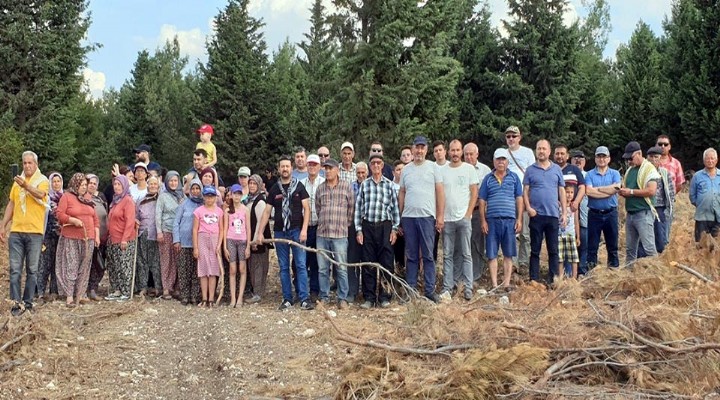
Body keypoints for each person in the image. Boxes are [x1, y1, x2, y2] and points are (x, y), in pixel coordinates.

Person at [255, 156, 314, 311]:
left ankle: (304, 298)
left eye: (287, 166)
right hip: (280, 232)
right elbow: (267, 212)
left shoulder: (299, 187)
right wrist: (260, 233)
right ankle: (287, 298)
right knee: (283, 267)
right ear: (279, 169)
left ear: (291, 168)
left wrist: (304, 230)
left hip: (297, 231)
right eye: (282, 166)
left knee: (301, 265)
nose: (285, 169)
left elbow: (307, 209)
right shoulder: (274, 189)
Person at [1, 151, 49, 316]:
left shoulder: (42, 181)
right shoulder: (17, 183)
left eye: (30, 163)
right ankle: (16, 304)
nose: (27, 166)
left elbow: (40, 194)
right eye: (25, 163)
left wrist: (26, 186)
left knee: (32, 270)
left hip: (34, 232)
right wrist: (3, 225)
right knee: (15, 270)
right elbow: (11, 204)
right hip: (16, 232)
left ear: (36, 165)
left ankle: (28, 303)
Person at [399, 135, 445, 303]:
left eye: (422, 147)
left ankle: (429, 290)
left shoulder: (434, 168)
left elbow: (440, 192)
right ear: (412, 149)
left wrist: (440, 216)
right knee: (410, 255)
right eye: (416, 147)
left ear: (426, 150)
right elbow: (402, 193)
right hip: (409, 217)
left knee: (428, 255)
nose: (419, 150)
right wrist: (400, 216)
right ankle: (410, 289)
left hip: (427, 218)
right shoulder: (406, 169)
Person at [354, 153, 400, 308]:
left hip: (385, 226)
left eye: (378, 163)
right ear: (369, 166)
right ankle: (369, 297)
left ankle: (385, 296)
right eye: (372, 163)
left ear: (382, 165)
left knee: (387, 262)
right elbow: (358, 210)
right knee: (368, 263)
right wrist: (359, 230)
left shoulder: (389, 185)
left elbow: (394, 210)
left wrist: (394, 229)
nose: (375, 166)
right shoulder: (364, 185)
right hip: (368, 227)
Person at [438, 140, 478, 302]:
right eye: (452, 150)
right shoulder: (442, 171)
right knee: (447, 254)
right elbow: (439, 194)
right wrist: (440, 215)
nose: (455, 153)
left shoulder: (468, 169)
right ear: (448, 152)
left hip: (464, 218)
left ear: (461, 152)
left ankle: (467, 287)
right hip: (447, 219)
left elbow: (474, 192)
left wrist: (468, 214)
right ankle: (448, 286)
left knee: (466, 254)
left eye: (457, 150)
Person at [523, 139, 566, 284]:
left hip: (553, 215)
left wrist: (564, 213)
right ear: (536, 151)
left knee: (553, 250)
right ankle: (534, 279)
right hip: (537, 215)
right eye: (539, 148)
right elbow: (525, 191)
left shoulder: (557, 170)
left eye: (544, 149)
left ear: (549, 151)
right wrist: (528, 208)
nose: (541, 151)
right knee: (535, 250)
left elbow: (562, 191)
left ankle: (553, 280)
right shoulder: (530, 170)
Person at [480, 149, 523, 289]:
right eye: (498, 159)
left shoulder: (514, 178)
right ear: (494, 161)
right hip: (492, 220)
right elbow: (482, 200)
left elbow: (519, 199)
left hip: (510, 220)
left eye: (503, 159)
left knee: (508, 254)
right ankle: (494, 284)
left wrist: (519, 219)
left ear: (507, 161)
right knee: (492, 254)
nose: (501, 162)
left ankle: (506, 283)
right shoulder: (488, 178)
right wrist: (483, 221)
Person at [55, 173, 99, 307]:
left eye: (85, 185)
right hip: (71, 237)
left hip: (88, 238)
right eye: (81, 185)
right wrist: (72, 220)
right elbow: (59, 214)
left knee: (85, 267)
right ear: (75, 184)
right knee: (72, 265)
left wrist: (96, 236)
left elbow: (95, 219)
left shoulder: (87, 198)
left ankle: (81, 293)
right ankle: (69, 296)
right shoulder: (67, 197)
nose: (84, 187)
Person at [315, 158, 354, 307]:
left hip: (340, 235)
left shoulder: (346, 187)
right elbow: (318, 209)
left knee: (342, 267)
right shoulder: (320, 188)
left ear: (337, 170)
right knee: (323, 269)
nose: (328, 171)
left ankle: (342, 298)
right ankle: (324, 297)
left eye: (330, 168)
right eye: (326, 168)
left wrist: (345, 224)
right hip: (322, 234)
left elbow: (351, 209)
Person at [619, 141, 660, 267]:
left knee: (649, 248)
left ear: (639, 154)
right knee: (630, 250)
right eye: (626, 159)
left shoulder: (649, 169)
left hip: (643, 213)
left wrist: (630, 192)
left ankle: (657, 274)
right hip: (631, 214)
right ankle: (628, 276)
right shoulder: (630, 170)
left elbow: (651, 191)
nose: (628, 162)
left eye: (630, 158)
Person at [585, 146, 622, 270]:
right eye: (599, 156)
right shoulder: (589, 174)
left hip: (611, 213)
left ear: (609, 158)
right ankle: (591, 273)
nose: (601, 159)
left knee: (612, 246)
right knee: (592, 247)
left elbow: (616, 189)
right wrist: (608, 190)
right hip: (594, 214)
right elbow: (589, 192)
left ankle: (613, 271)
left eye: (604, 157)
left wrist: (598, 189)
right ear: (595, 158)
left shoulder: (615, 173)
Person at [504, 126, 535, 273]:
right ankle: (512, 261)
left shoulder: (527, 152)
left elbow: (532, 173)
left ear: (519, 137)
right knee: (510, 231)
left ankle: (523, 262)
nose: (511, 139)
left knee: (525, 232)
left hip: (524, 196)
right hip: (509, 199)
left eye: (513, 136)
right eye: (508, 136)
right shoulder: (503, 154)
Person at [104, 175, 137, 302]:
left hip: (124, 240)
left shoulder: (127, 200)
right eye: (115, 184)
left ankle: (126, 291)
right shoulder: (115, 200)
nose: (116, 187)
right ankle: (117, 289)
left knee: (124, 266)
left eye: (119, 184)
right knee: (114, 266)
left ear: (124, 186)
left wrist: (125, 238)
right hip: (113, 239)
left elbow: (130, 221)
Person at [639, 146, 675, 256]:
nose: (653, 159)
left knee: (660, 237)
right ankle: (641, 259)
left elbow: (671, 192)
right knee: (644, 236)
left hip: (660, 208)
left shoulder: (664, 173)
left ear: (660, 159)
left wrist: (669, 209)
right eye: (651, 157)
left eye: (656, 157)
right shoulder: (642, 172)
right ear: (647, 158)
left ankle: (658, 260)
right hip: (645, 207)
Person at [463, 142, 492, 281]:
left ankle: (476, 274)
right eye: (466, 154)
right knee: (463, 243)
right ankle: (463, 274)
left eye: (471, 154)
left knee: (477, 243)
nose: (468, 157)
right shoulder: (459, 169)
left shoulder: (485, 171)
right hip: (461, 212)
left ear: (477, 154)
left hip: (477, 212)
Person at [173, 178, 203, 305]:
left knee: (196, 271)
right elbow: (176, 222)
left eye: (197, 188)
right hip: (184, 243)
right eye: (193, 189)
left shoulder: (203, 204)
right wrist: (176, 240)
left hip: (198, 243)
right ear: (189, 190)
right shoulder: (184, 204)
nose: (195, 191)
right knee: (184, 270)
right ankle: (185, 295)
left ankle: (195, 295)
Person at [193, 185, 224, 307]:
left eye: (212, 197)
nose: (209, 199)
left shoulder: (219, 211)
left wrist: (219, 244)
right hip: (202, 238)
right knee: (203, 269)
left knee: (213, 270)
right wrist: (195, 247)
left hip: (215, 239)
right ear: (204, 197)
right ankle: (204, 298)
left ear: (215, 198)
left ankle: (211, 298)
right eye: (207, 197)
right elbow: (195, 229)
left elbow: (221, 229)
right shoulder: (198, 211)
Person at [299, 154, 325, 300]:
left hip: (319, 227)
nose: (312, 167)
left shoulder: (323, 183)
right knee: (301, 260)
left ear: (319, 166)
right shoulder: (300, 183)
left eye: (315, 164)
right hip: (304, 227)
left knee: (316, 261)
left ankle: (314, 291)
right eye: (310, 164)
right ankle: (300, 289)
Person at [155, 171, 184, 300]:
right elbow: (158, 214)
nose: (173, 183)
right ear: (167, 182)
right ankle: (166, 288)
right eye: (171, 181)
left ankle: (177, 287)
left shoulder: (182, 196)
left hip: (179, 233)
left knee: (178, 260)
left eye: (175, 181)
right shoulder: (163, 196)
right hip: (166, 231)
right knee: (167, 260)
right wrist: (159, 231)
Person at [245, 174, 272, 303]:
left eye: (254, 184)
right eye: (250, 183)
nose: (251, 186)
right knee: (253, 266)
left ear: (259, 185)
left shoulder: (260, 201)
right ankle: (255, 291)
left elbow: (261, 222)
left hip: (259, 241)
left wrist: (255, 240)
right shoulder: (250, 199)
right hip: (251, 240)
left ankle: (258, 293)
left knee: (259, 267)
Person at [223, 184, 250, 307]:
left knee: (242, 269)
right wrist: (224, 247)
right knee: (233, 269)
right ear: (231, 195)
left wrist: (248, 246)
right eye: (235, 194)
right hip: (231, 240)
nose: (237, 196)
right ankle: (233, 298)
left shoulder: (245, 210)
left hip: (243, 241)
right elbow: (225, 229)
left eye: (239, 194)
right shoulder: (227, 211)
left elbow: (248, 229)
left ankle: (240, 297)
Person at [37, 172, 63, 302]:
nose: (56, 184)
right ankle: (40, 291)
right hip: (47, 234)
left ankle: (54, 291)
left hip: (61, 235)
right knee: (44, 263)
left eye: (58, 181)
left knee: (56, 263)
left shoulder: (65, 198)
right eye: (54, 181)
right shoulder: (46, 198)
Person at [135, 176, 161, 297]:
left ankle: (158, 287)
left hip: (156, 234)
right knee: (142, 261)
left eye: (155, 184)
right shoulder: (141, 199)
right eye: (151, 184)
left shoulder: (161, 198)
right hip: (142, 233)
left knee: (155, 262)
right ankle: (143, 287)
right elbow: (136, 215)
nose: (153, 186)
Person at [346, 161, 368, 303]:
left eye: (363, 173)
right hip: (352, 226)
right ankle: (352, 291)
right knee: (352, 259)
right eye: (358, 173)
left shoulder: (371, 185)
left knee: (366, 260)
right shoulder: (350, 187)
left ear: (367, 173)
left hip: (368, 226)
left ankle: (367, 292)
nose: (360, 175)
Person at [657, 135, 683, 244]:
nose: (663, 146)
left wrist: (669, 195)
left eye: (665, 144)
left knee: (665, 232)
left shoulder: (676, 163)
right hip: (652, 204)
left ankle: (663, 256)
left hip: (668, 205)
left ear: (669, 147)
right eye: (660, 144)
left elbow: (679, 184)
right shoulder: (650, 162)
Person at [689, 148, 720, 242]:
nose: (710, 161)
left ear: (716, 160)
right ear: (704, 160)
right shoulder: (697, 176)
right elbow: (692, 196)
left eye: (712, 158)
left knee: (716, 245)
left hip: (718, 216)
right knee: (701, 244)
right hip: (702, 216)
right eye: (707, 158)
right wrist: (701, 204)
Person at [86, 174, 108, 301]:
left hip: (103, 237)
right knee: (90, 265)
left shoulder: (101, 199)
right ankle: (88, 290)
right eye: (90, 183)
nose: (92, 185)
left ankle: (93, 288)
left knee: (99, 265)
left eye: (94, 183)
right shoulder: (82, 198)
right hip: (89, 237)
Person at [570, 150, 589, 274]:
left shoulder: (588, 176)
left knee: (584, 245)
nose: (578, 161)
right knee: (571, 246)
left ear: (584, 162)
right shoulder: (568, 174)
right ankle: (570, 272)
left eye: (580, 159)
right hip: (570, 216)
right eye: (575, 158)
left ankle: (582, 271)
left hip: (585, 215)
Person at [558, 177, 580, 279]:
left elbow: (576, 222)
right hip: (560, 235)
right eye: (567, 192)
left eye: (571, 192)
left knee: (573, 257)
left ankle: (574, 277)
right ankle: (561, 277)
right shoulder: (558, 206)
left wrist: (578, 236)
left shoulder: (574, 207)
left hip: (571, 234)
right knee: (560, 258)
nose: (569, 194)